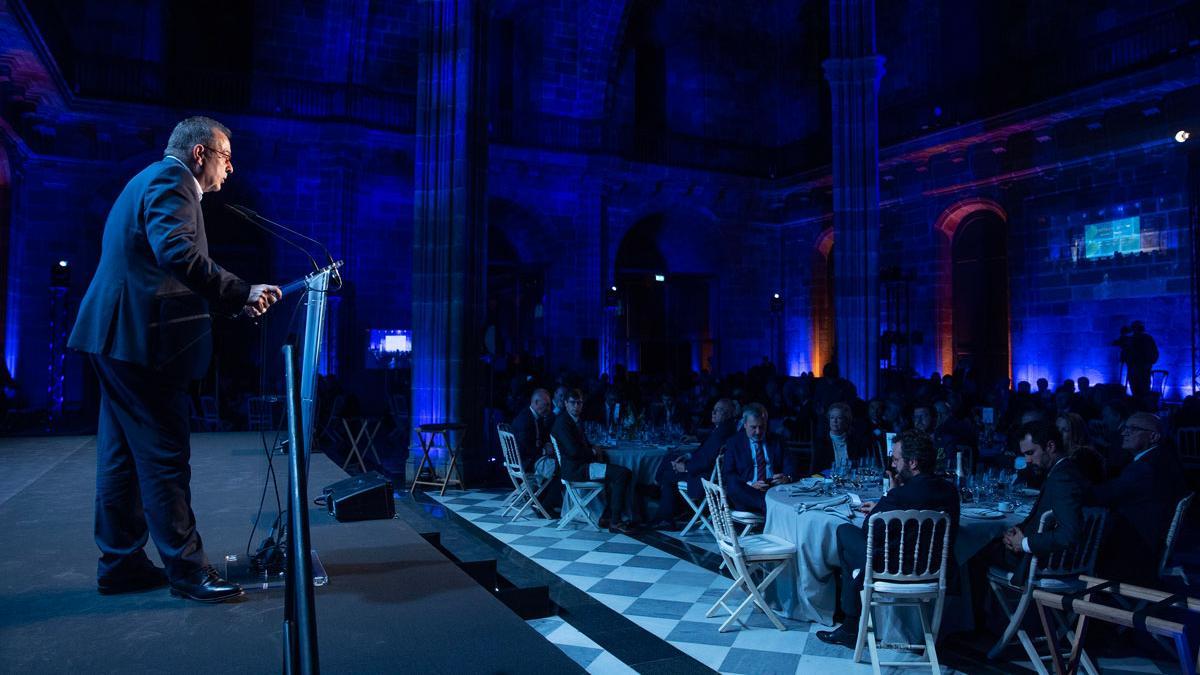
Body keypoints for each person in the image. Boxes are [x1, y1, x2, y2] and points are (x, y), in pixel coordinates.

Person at [68, 116, 282, 603]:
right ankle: (187, 570)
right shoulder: (172, 180)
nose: (232, 167)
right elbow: (177, 255)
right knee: (165, 457)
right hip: (141, 342)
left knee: (121, 457)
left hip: (117, 337)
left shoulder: (146, 178)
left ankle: (120, 564)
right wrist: (240, 291)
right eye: (226, 156)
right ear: (200, 153)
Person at [816, 430, 960, 648]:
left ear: (912, 463)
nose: (893, 465)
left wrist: (887, 497)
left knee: (844, 531)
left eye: (896, 459)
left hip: (894, 569)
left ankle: (851, 622)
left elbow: (869, 529)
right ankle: (855, 606)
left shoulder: (900, 495)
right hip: (936, 572)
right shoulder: (950, 491)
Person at [1090, 412, 1188, 584]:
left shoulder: (1144, 469)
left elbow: (1100, 496)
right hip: (1155, 545)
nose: (1124, 433)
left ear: (1154, 436)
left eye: (1132, 429)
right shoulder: (1164, 458)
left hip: (1135, 554)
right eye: (1125, 427)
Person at [551, 389, 635, 534]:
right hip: (576, 469)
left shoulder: (574, 420)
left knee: (617, 471)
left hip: (580, 465)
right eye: (573, 403)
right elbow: (574, 452)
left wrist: (593, 448)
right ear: (566, 403)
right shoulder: (563, 423)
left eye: (579, 403)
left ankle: (607, 516)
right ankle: (615, 521)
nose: (576, 406)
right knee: (622, 474)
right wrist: (593, 452)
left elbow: (580, 445)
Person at [650, 398, 738, 529]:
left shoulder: (722, 433)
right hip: (705, 469)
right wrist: (688, 456)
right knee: (670, 458)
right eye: (714, 409)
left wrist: (685, 468)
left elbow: (707, 460)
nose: (713, 412)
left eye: (719, 410)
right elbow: (706, 451)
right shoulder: (724, 429)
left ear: (729, 414)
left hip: (706, 477)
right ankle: (662, 495)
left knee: (669, 475)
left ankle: (665, 517)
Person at [721, 403, 798, 514]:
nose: (758, 432)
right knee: (733, 486)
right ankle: (768, 507)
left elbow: (790, 465)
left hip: (774, 489)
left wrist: (787, 477)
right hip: (748, 490)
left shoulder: (778, 440)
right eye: (753, 427)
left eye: (762, 427)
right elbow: (728, 474)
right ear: (745, 424)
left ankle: (770, 507)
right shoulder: (734, 443)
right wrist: (750, 484)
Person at [810, 402, 872, 473]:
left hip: (850, 480)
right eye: (832, 418)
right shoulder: (821, 443)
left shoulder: (855, 442)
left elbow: (860, 467)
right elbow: (816, 471)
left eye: (839, 418)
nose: (834, 421)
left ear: (846, 421)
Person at [511, 389, 553, 472]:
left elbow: (544, 436)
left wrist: (547, 444)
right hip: (525, 462)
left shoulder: (537, 418)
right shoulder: (524, 420)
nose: (549, 408)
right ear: (536, 402)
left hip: (531, 458)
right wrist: (544, 451)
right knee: (557, 466)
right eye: (546, 405)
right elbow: (526, 447)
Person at [1126, 321, 1159, 401]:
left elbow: (1154, 354)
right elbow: (1155, 353)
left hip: (1139, 369)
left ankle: (1140, 407)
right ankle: (1141, 407)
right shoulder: (1135, 339)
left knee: (1140, 390)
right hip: (1138, 369)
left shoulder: (1140, 339)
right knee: (1141, 390)